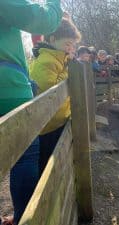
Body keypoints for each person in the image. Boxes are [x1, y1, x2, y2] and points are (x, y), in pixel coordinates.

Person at [0, 1, 62, 224]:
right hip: (8, 87)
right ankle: (25, 218)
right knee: (25, 154)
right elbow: (44, 21)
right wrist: (54, 5)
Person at [30, 16, 81, 177]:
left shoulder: (60, 58)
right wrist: (68, 71)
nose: (70, 48)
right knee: (46, 167)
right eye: (67, 44)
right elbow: (48, 92)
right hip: (47, 126)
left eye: (72, 45)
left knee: (57, 161)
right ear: (52, 39)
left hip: (58, 121)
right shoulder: (46, 60)